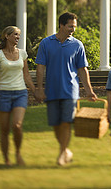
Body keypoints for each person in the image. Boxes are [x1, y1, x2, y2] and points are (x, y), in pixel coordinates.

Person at [35, 12, 97, 166]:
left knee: (66, 122)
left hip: (70, 90)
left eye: (74, 26)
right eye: (70, 26)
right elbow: (40, 67)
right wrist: (40, 88)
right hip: (52, 90)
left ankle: (62, 153)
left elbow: (82, 69)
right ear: (61, 25)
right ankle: (66, 150)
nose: (73, 30)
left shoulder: (77, 45)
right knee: (55, 124)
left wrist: (89, 90)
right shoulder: (46, 43)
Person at [0, 26, 36, 166]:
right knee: (4, 129)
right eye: (15, 34)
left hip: (20, 93)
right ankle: (6, 159)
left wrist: (35, 90)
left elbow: (26, 75)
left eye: (19, 35)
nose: (18, 37)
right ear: (7, 36)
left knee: (17, 125)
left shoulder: (22, 53)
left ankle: (18, 153)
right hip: (3, 93)